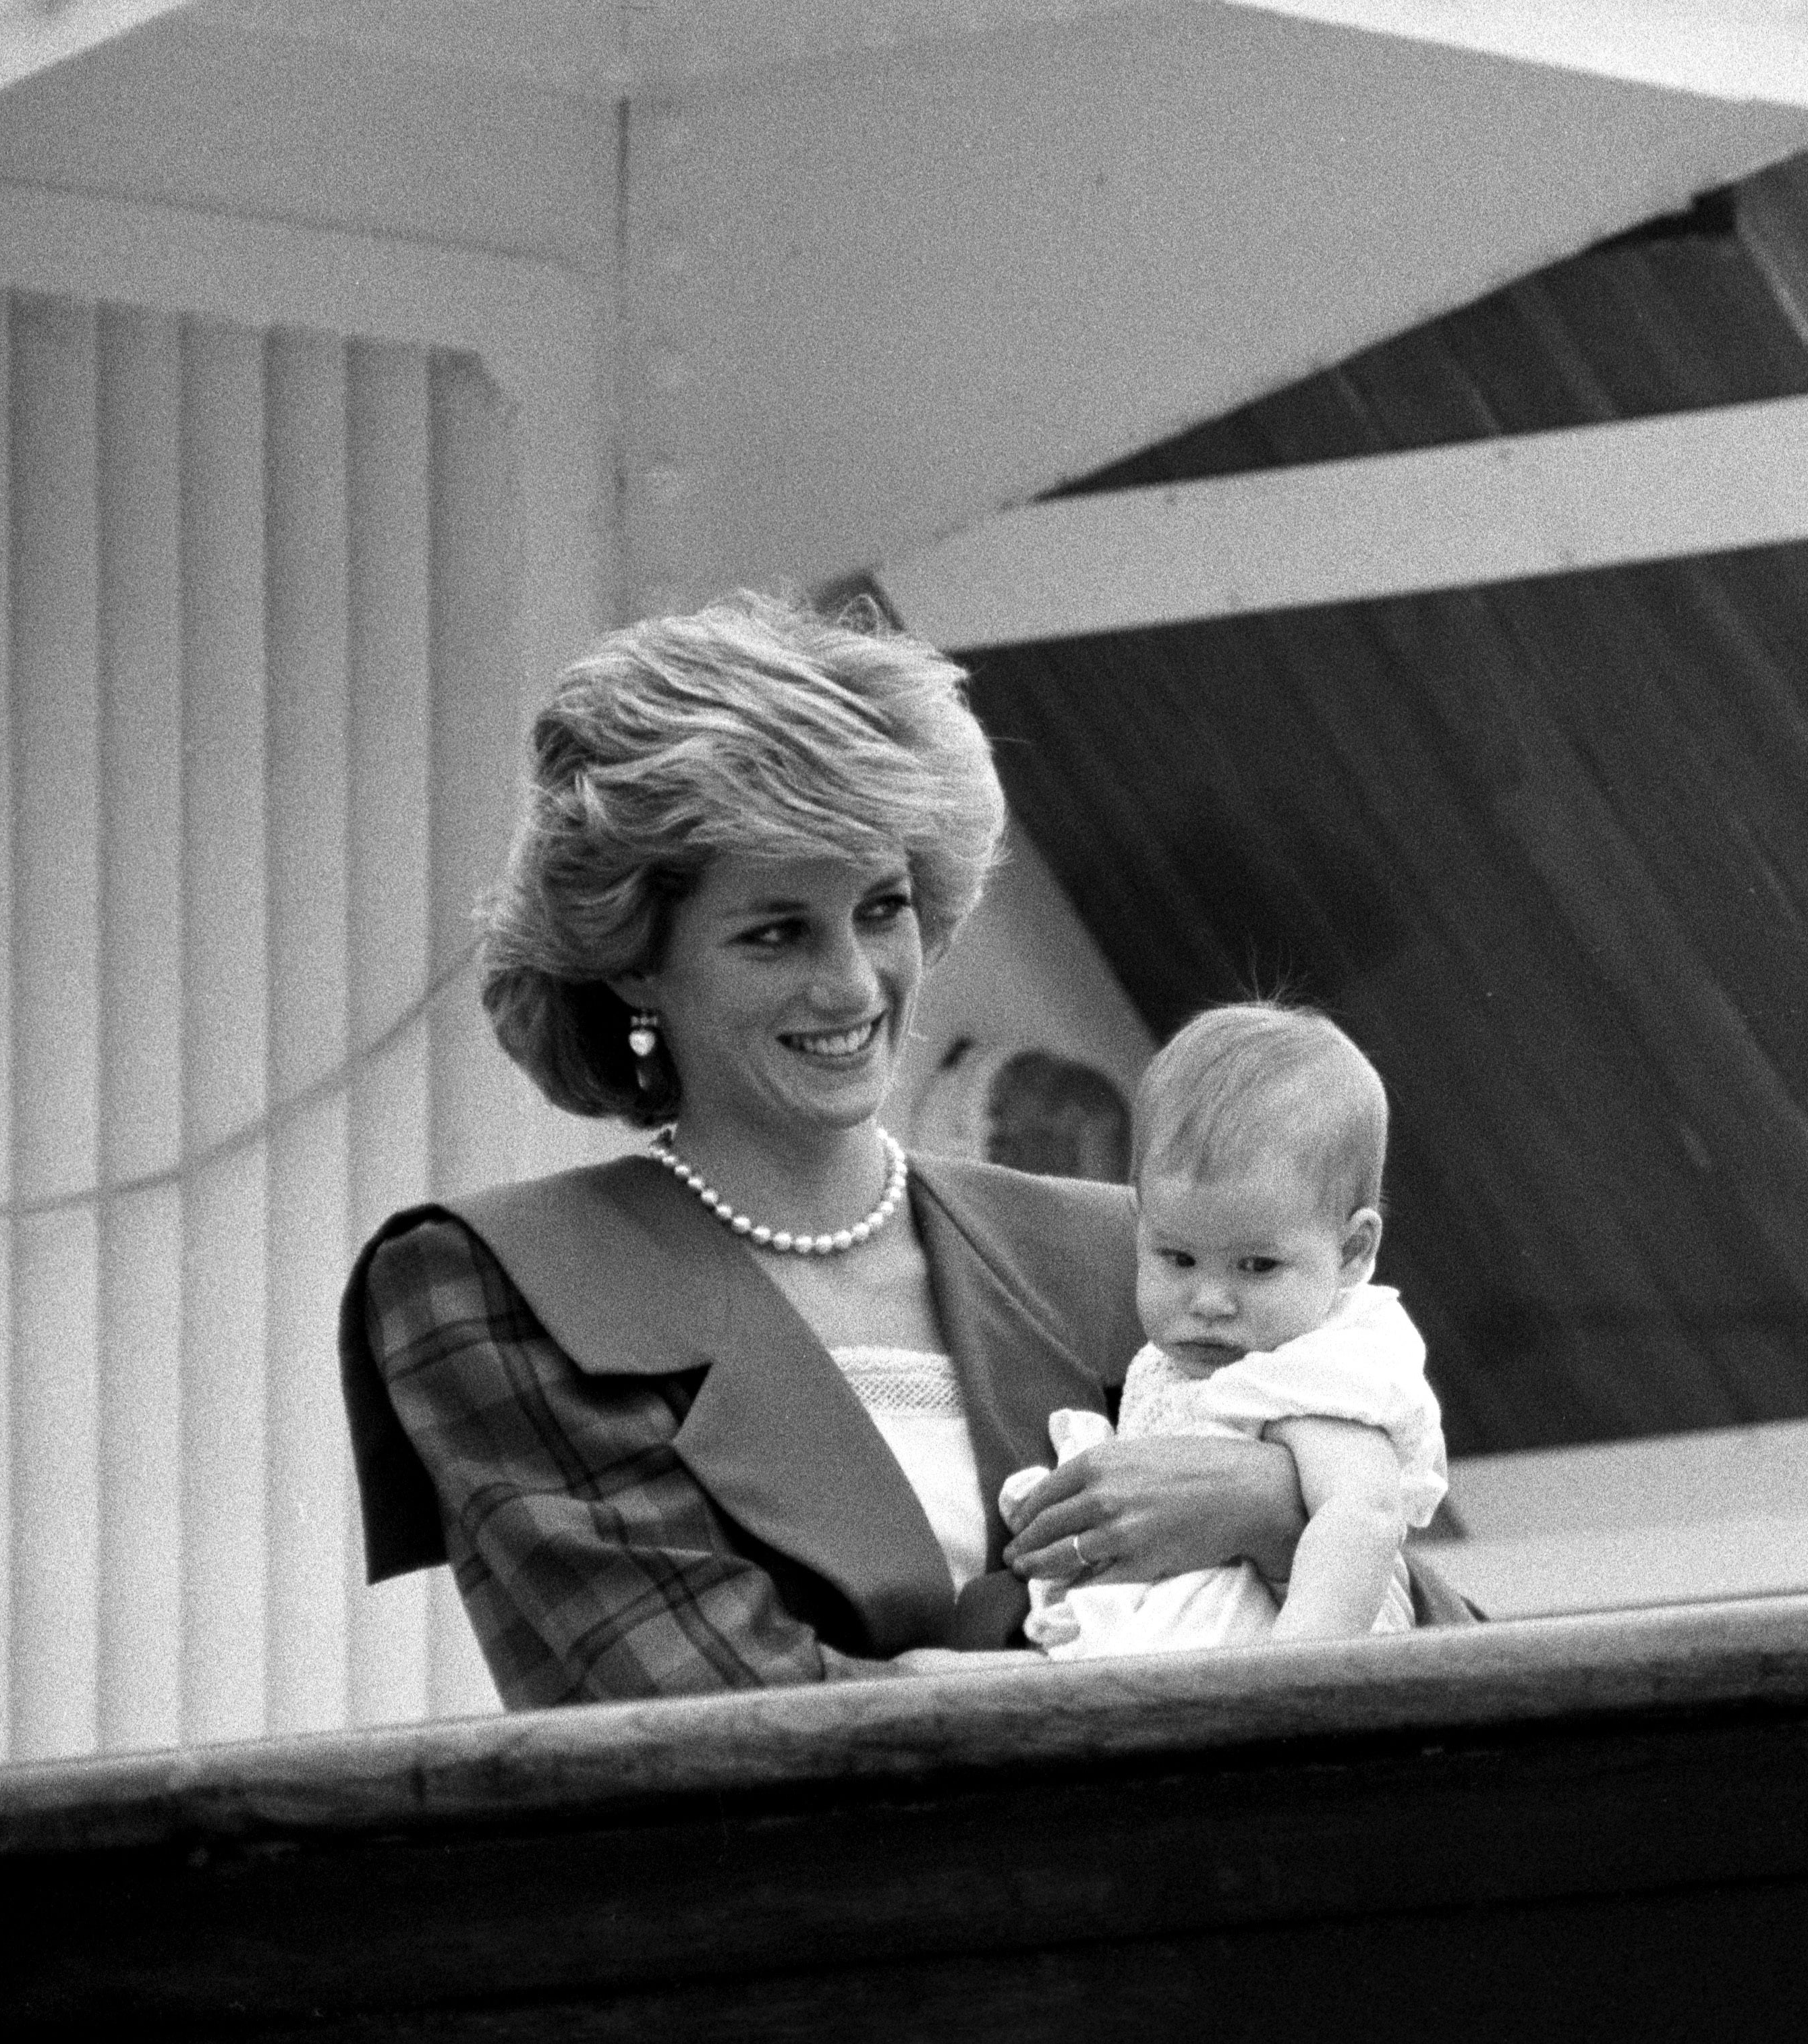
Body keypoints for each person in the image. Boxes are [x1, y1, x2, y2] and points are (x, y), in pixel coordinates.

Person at [339, 592, 1343, 1704]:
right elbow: (712, 1709)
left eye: (880, 908)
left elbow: (1437, 1649)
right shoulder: (493, 1284)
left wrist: (1269, 1505)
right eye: (777, 931)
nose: (855, 983)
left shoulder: (1127, 1251)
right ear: (631, 959)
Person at [1007, 1003, 1448, 1654]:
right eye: (1177, 1258)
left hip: (1245, 1670)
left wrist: (1286, 1677)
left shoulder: (1314, 1366)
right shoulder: (1211, 1354)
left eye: (1257, 1266)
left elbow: (1363, 1515)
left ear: (1352, 1250)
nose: (1210, 1301)